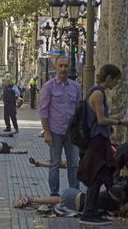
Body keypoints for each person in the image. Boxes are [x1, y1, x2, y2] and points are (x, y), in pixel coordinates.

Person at [77, 64, 128, 225]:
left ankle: (91, 210)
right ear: (108, 78)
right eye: (116, 80)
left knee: (101, 175)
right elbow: (100, 120)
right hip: (97, 140)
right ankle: (88, 212)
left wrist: (116, 119)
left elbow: (99, 117)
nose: (117, 84)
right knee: (97, 176)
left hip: (99, 138)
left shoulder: (95, 91)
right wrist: (120, 122)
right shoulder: (98, 94)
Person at [39, 56, 81, 195]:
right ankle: (54, 194)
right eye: (61, 66)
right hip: (55, 132)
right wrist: (46, 132)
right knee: (54, 164)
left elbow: (78, 110)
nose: (63, 68)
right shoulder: (48, 87)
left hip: (71, 133)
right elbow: (43, 111)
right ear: (56, 68)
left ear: (69, 68)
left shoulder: (76, 87)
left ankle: (74, 193)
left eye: (66, 66)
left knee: (74, 164)